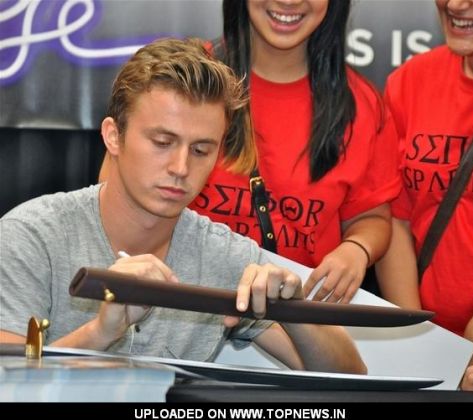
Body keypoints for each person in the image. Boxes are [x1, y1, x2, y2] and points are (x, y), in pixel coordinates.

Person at [0, 38, 366, 374]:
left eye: (201, 150)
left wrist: (293, 309)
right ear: (113, 135)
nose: (180, 168)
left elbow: (352, 377)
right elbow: (7, 383)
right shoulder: (32, 237)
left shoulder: (225, 257)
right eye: (162, 142)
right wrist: (99, 332)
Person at [187, 0, 400, 304]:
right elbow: (121, 189)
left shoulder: (361, 105)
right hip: (184, 310)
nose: (289, 1)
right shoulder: (185, 79)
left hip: (298, 324)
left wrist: (357, 249)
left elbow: (372, 218)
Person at [375, 0, 473, 366]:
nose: (457, 5)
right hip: (432, 351)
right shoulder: (411, 81)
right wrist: (414, 332)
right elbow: (395, 216)